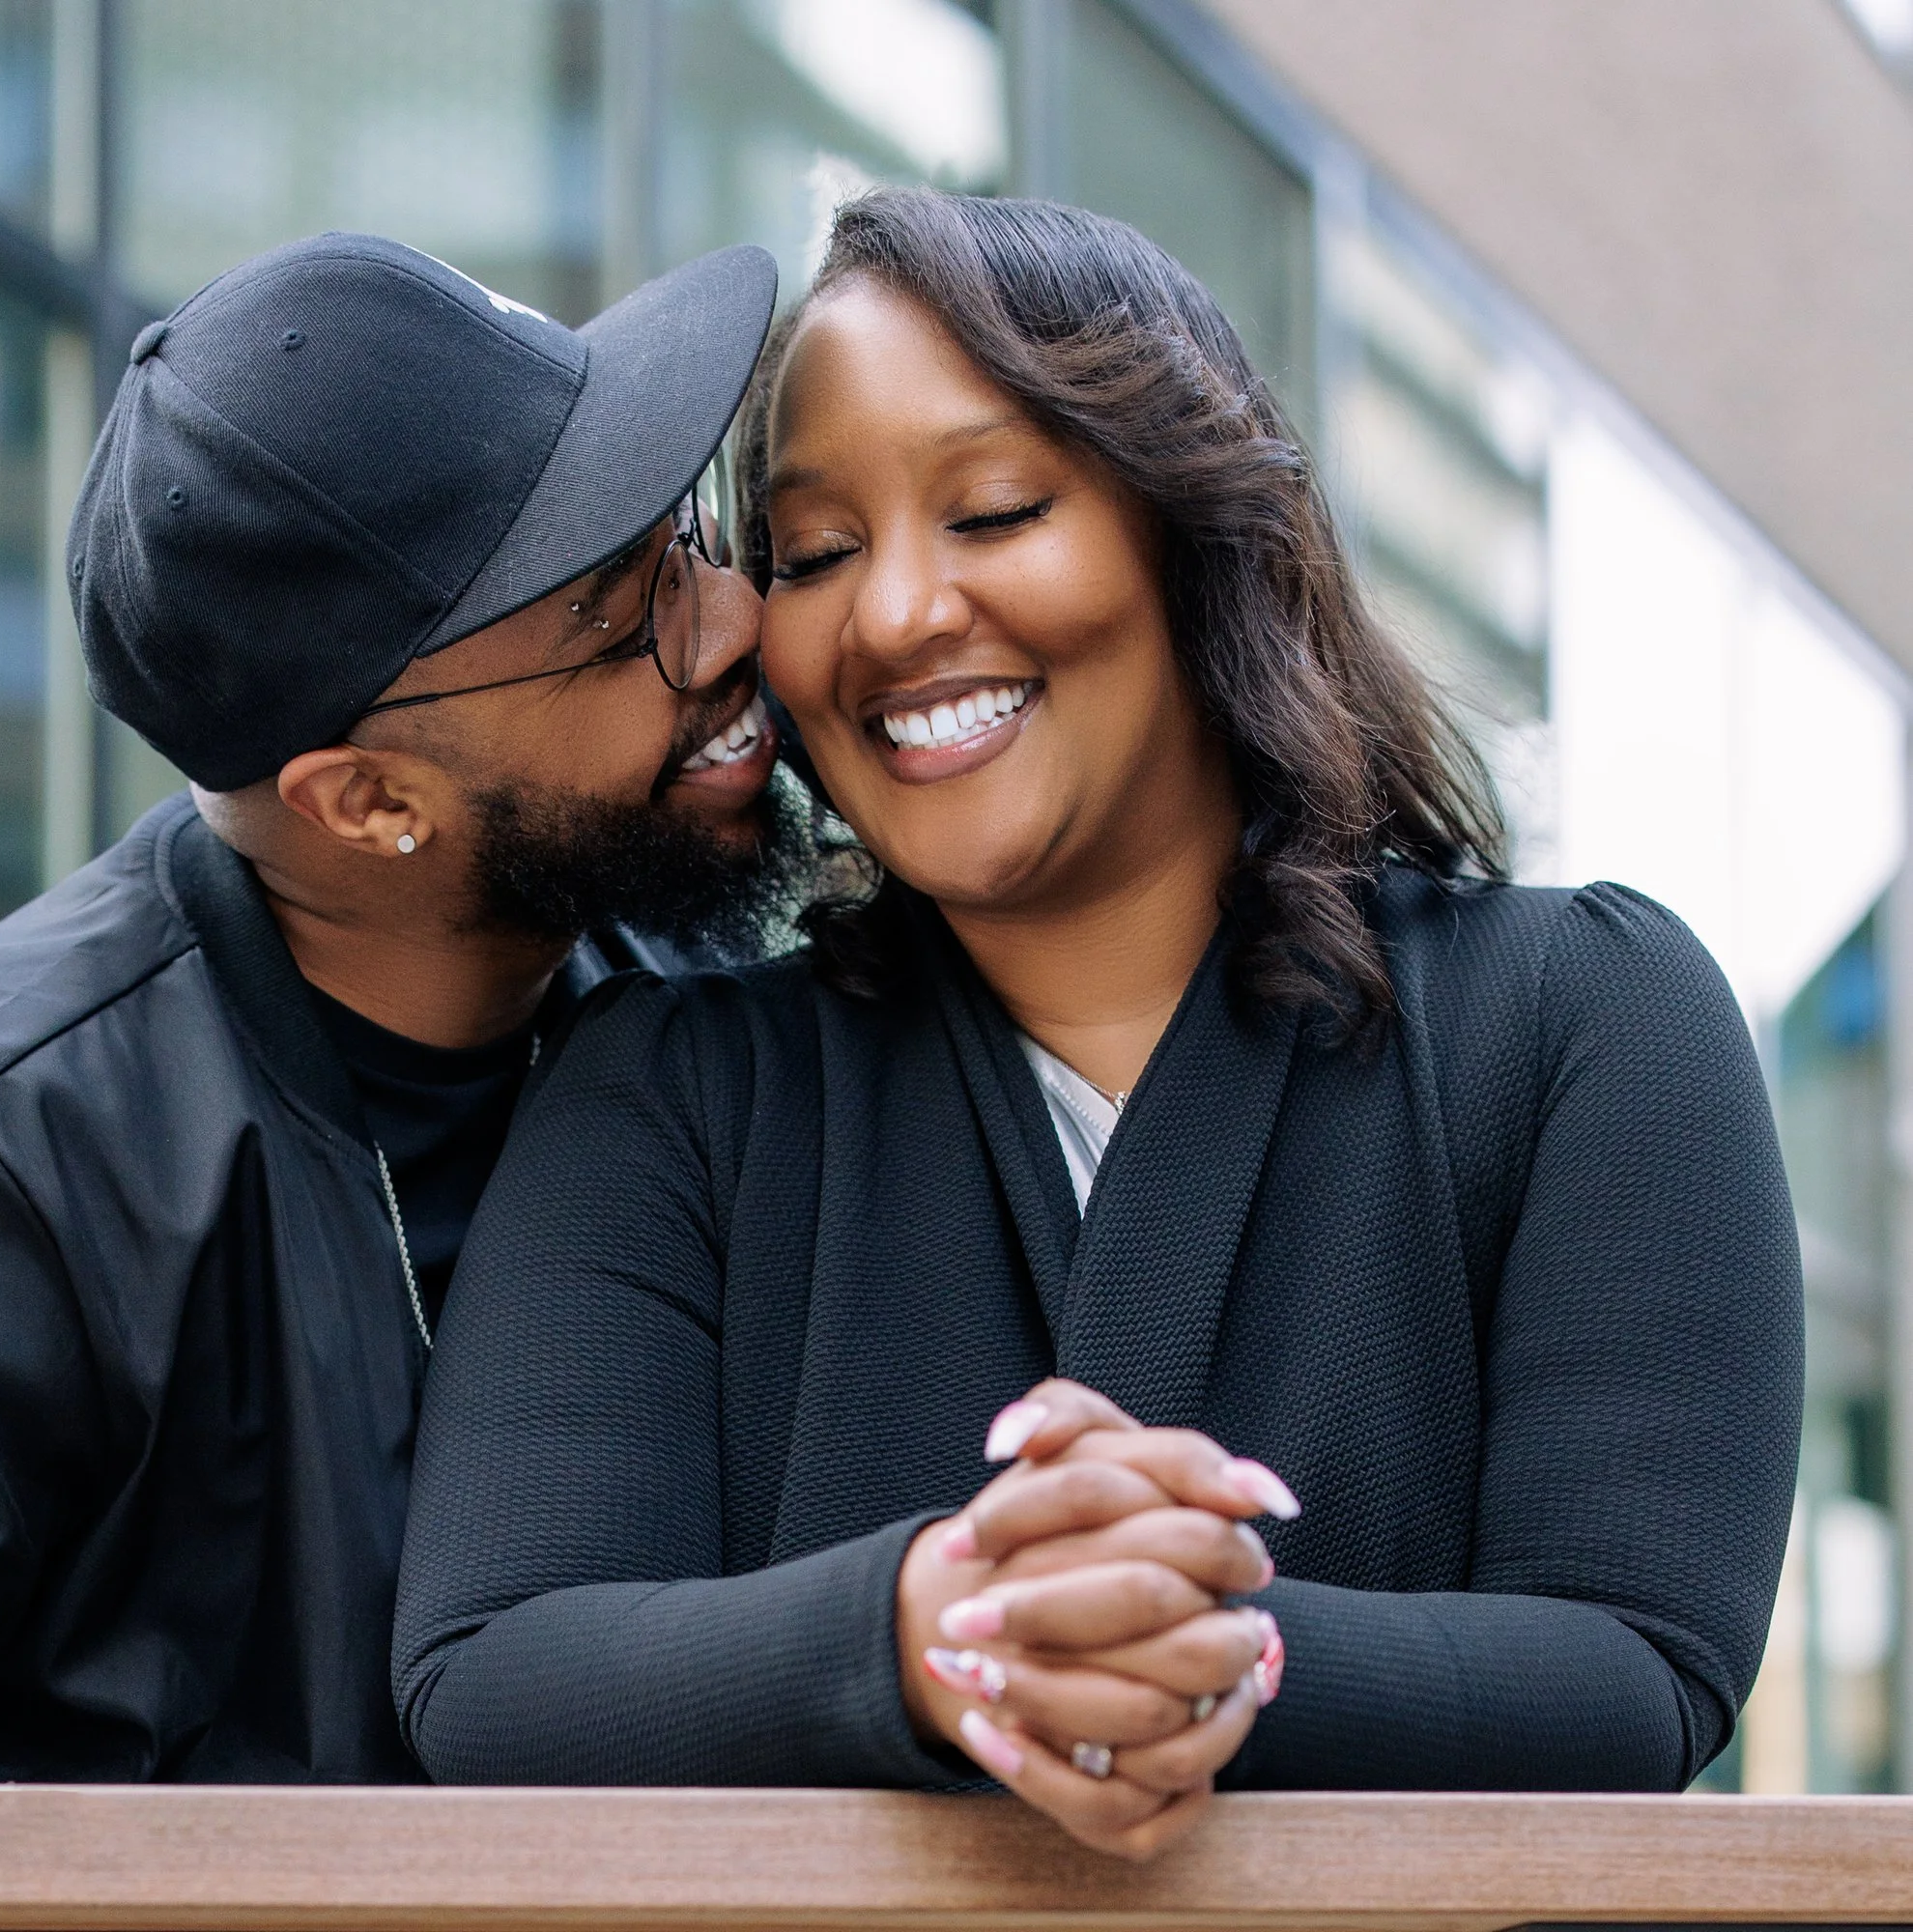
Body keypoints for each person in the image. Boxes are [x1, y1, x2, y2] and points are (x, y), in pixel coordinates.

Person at [391, 189, 1803, 1858]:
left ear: (1192, 525)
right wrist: (927, 1629)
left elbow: (1637, 1671)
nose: (898, 614)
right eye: (817, 552)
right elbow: (495, 1668)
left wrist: (1207, 1653)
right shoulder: (673, 1090)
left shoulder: (1584, 1023)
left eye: (993, 511)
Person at [0, 232, 795, 1781]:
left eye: (684, 537)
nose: (734, 619)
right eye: (625, 619)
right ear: (366, 800)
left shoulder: (729, 1029)